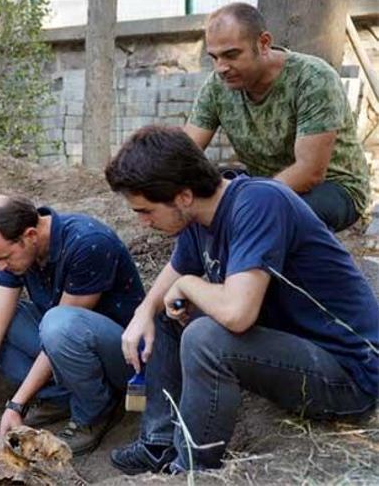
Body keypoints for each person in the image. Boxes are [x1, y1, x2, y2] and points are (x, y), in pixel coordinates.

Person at [104, 126, 378, 474]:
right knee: (164, 310)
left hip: (348, 374)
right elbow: (171, 279)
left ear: (184, 197)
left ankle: (191, 469)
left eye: (146, 211)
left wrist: (188, 284)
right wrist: (144, 311)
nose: (143, 223)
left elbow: (237, 314)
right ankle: (158, 444)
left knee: (206, 338)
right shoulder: (198, 218)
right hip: (294, 350)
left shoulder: (259, 203)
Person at [0, 195, 145, 455]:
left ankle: (94, 411)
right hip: (64, 339)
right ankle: (59, 396)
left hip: (124, 354)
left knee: (57, 324)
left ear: (30, 235)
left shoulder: (88, 244)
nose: (0, 267)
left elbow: (64, 328)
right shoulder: (19, 252)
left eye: (4, 257)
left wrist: (16, 404)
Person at [184, 2, 370, 232]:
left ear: (263, 43)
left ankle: (264, 266)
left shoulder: (313, 78)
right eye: (214, 57)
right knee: (195, 194)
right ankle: (203, 266)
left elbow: (309, 172)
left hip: (333, 187)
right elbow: (184, 151)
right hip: (264, 181)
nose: (221, 67)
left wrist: (242, 201)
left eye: (231, 55)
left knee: (268, 216)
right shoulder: (217, 85)